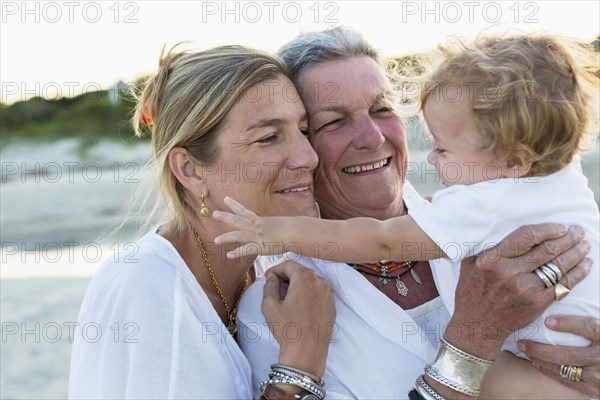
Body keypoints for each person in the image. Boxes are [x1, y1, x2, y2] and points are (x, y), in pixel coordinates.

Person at [215, 33, 600, 398]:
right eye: (333, 121)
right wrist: (472, 342)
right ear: (301, 144)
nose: (372, 137)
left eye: (382, 109)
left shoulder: (472, 215)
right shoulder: (278, 307)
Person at [68, 45, 336, 399]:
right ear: (190, 170)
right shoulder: (144, 287)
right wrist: (300, 364)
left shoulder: (268, 265)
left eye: (304, 130)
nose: (309, 156)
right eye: (269, 138)